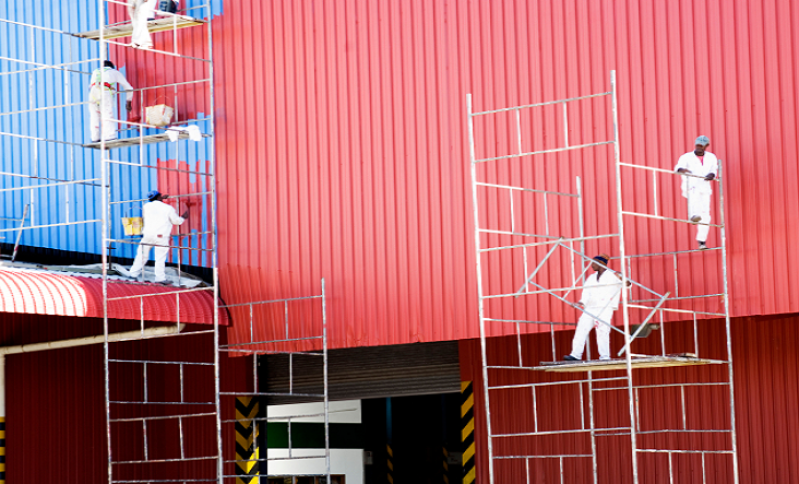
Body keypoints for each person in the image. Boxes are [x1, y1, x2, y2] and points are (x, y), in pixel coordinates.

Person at [563, 254, 626, 362]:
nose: (591, 265)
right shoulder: (591, 278)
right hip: (590, 307)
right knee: (581, 329)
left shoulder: (612, 275)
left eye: (593, 263)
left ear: (600, 264)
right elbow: (586, 293)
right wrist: (580, 303)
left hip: (604, 307)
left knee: (602, 331)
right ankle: (575, 355)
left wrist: (622, 277)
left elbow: (628, 284)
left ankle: (604, 357)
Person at [128, 190, 188, 284]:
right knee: (160, 258)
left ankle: (133, 274)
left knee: (142, 255)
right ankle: (160, 278)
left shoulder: (146, 207)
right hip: (161, 236)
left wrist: (160, 199)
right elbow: (176, 221)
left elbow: (156, 206)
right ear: (159, 197)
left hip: (147, 235)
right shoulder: (168, 208)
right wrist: (183, 217)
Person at [674, 135, 719, 250]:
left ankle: (701, 240)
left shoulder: (711, 157)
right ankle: (693, 215)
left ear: (706, 146)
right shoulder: (686, 157)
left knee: (706, 216)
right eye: (698, 145)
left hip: (704, 186)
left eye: (702, 146)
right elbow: (678, 168)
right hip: (691, 185)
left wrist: (712, 175)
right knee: (695, 205)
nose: (699, 148)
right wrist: (684, 170)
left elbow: (714, 169)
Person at [88, 61, 134, 142]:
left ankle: (95, 137)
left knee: (95, 115)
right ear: (111, 67)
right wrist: (128, 103)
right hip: (104, 91)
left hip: (92, 93)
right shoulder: (114, 72)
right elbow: (129, 88)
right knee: (107, 114)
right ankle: (110, 136)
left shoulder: (95, 72)